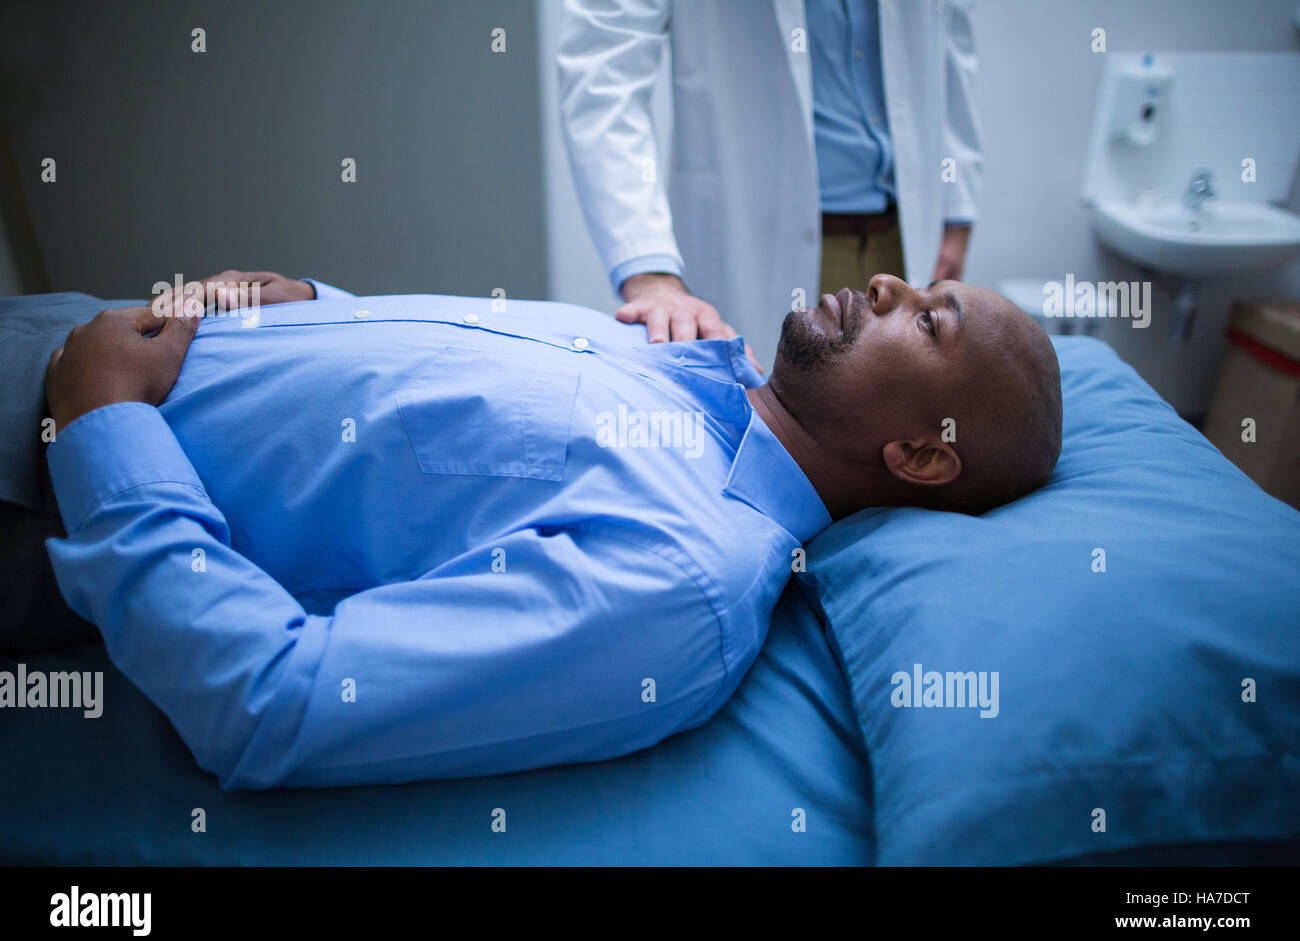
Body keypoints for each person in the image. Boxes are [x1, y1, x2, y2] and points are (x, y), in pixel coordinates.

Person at [0, 268, 1060, 789]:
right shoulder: (680, 359)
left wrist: (104, 422)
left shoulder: (680, 580)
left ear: (923, 454)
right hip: (69, 325)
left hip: (34, 475)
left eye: (927, 318)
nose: (887, 281)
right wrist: (298, 298)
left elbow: (269, 701)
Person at [558, 0, 983, 369]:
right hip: (752, 244)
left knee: (890, 436)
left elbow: (953, 43)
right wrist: (649, 271)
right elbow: (603, 78)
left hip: (904, 237)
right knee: (764, 435)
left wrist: (956, 212)